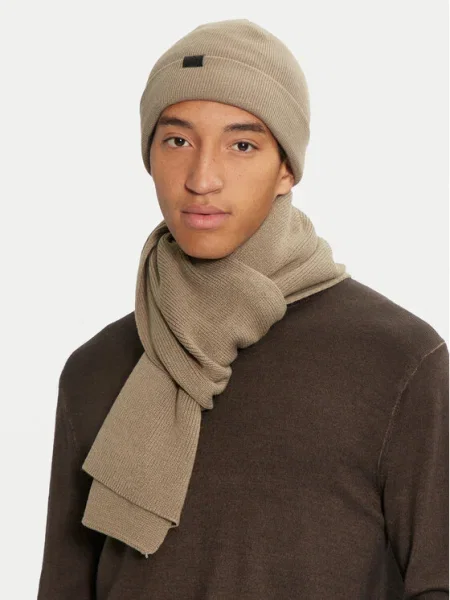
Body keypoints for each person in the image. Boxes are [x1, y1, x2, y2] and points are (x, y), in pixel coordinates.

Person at [37, 18, 448, 600]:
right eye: (177, 141)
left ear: (287, 168)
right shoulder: (96, 369)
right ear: (149, 156)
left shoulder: (398, 361)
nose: (202, 178)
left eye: (242, 145)